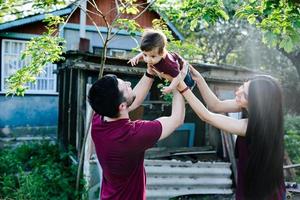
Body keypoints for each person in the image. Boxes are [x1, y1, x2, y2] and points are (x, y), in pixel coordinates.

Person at [176, 67, 285, 200]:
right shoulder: (250, 107)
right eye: (243, 86)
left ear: (256, 102)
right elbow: (215, 105)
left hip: (261, 192)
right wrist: (199, 79)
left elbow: (207, 116)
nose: (238, 92)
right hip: (251, 181)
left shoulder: (253, 126)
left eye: (244, 94)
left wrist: (181, 87)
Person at [87, 67, 185, 200]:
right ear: (121, 106)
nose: (129, 84)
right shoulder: (131, 136)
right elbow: (176, 119)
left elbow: (133, 101)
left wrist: (150, 72)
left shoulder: (100, 118)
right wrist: (178, 84)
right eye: (125, 87)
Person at [128, 29, 195, 94]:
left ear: (162, 53)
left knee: (182, 91)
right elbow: (145, 52)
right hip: (170, 72)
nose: (147, 59)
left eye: (153, 56)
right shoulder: (152, 53)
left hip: (184, 76)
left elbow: (178, 76)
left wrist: (170, 87)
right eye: (145, 55)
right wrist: (136, 58)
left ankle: (191, 86)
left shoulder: (169, 63)